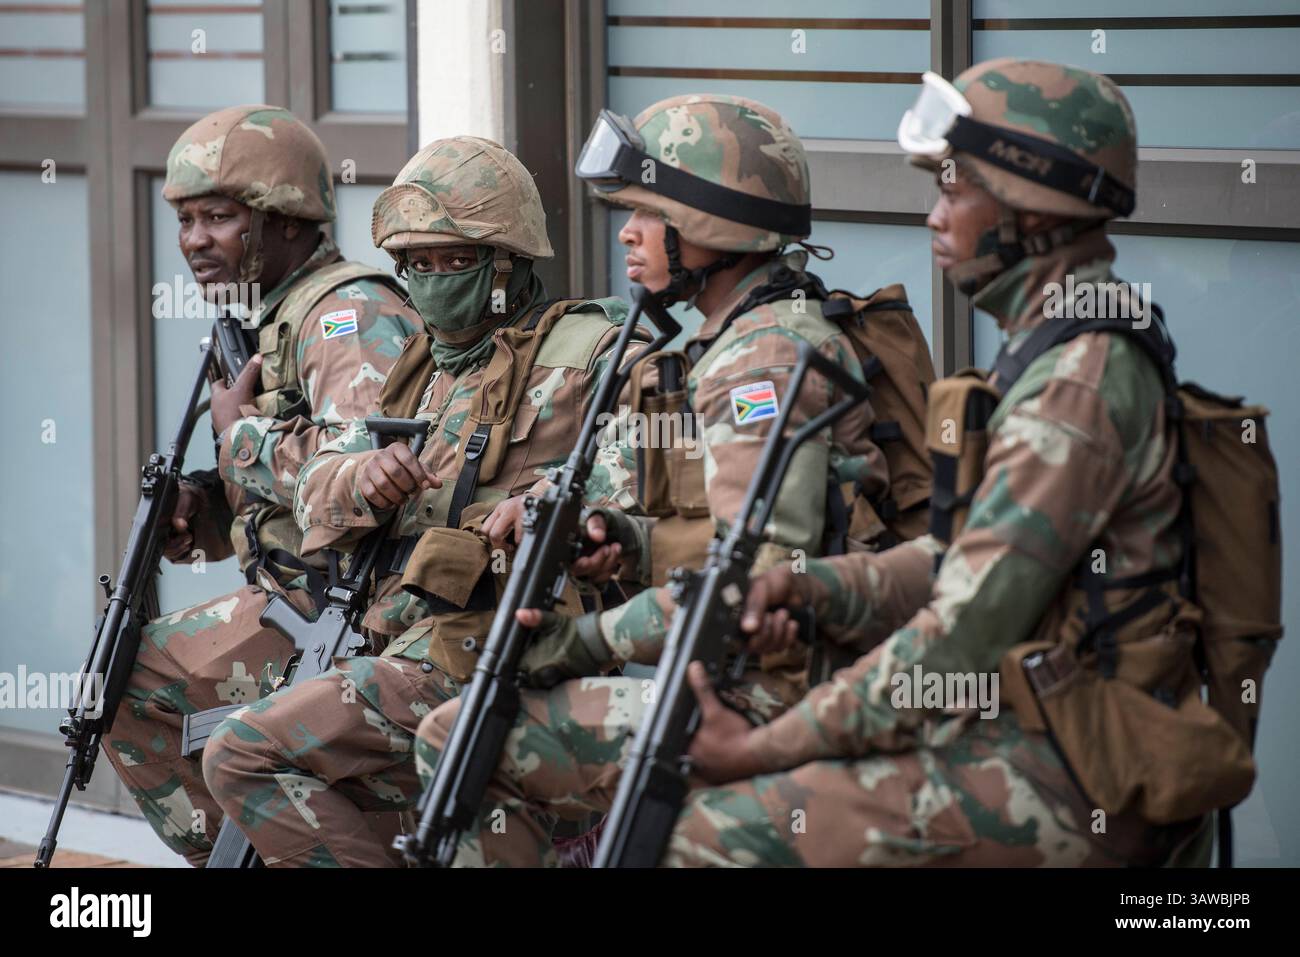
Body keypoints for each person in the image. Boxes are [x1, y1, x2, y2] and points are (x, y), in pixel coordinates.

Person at [666, 58, 1221, 867]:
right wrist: (808, 585)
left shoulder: (1081, 379)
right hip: (1043, 717)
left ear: (1032, 210)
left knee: (716, 834)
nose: (934, 217)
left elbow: (959, 635)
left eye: (955, 191)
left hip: (1091, 761)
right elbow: (957, 562)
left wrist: (765, 748)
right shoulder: (1056, 346)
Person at [414, 94, 910, 867]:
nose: (627, 232)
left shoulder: (763, 358)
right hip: (739, 670)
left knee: (457, 734)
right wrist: (630, 540)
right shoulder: (735, 340)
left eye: (648, 213)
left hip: (775, 693)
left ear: (711, 224)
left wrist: (581, 642)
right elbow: (726, 539)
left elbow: (762, 579)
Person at [201, 135, 641, 867]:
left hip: (493, 646)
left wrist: (545, 500)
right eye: (418, 265)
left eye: (455, 262)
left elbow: (639, 484)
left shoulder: (588, 350)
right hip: (390, 640)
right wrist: (362, 479)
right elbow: (321, 474)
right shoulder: (419, 368)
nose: (433, 282)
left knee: (243, 752)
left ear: (507, 262)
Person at [102, 105, 421, 865]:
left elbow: (367, 482)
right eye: (184, 219)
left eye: (217, 216)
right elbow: (290, 481)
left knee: (131, 686)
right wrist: (207, 509)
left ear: (285, 220)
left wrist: (239, 436)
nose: (193, 241)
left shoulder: (347, 313)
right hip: (294, 597)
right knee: (110, 677)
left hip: (350, 612)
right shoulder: (262, 318)